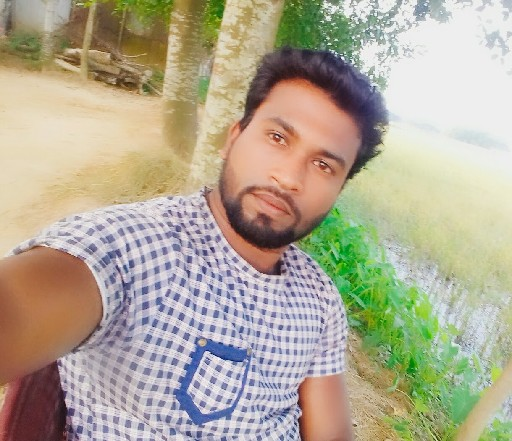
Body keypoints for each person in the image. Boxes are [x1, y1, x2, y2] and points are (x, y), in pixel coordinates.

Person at [0, 47, 388, 440]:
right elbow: (20, 304)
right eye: (277, 137)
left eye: (323, 165)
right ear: (233, 138)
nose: (289, 177)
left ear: (338, 190)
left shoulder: (320, 299)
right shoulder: (133, 248)